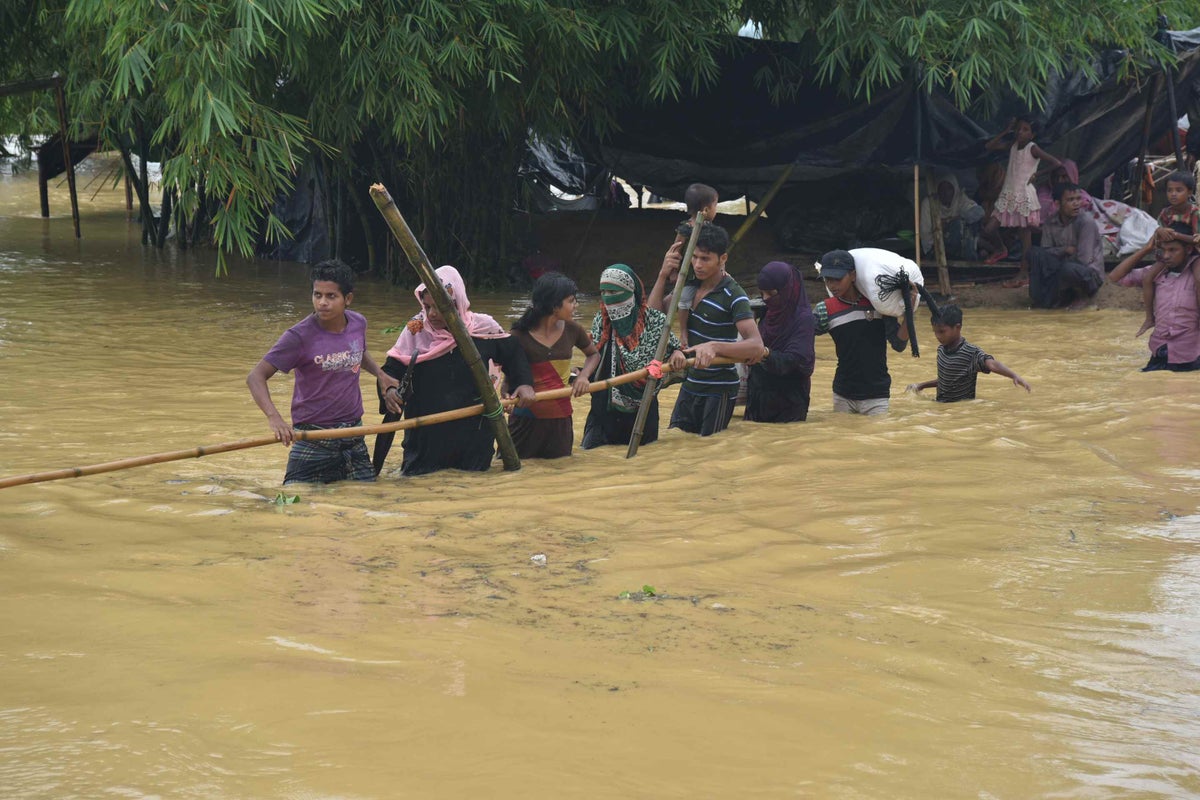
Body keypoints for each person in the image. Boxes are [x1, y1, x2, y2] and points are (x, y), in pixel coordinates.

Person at [247, 260, 399, 485]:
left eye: (331, 296)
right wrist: (275, 418)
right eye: (317, 295)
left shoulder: (358, 323)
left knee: (367, 499)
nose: (322, 303)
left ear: (347, 299)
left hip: (352, 435)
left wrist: (381, 375)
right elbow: (255, 377)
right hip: (312, 438)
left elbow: (358, 352)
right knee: (293, 502)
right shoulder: (299, 337)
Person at [376, 265, 535, 476]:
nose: (432, 314)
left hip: (475, 438)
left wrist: (523, 384)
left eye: (440, 306)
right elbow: (390, 370)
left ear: (457, 302)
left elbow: (513, 354)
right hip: (425, 441)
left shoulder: (482, 327)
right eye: (427, 306)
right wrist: (389, 393)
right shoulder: (415, 330)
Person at [664, 223, 765, 435]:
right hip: (690, 382)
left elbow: (756, 346)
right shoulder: (688, 285)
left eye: (705, 259)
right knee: (676, 441)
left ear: (723, 259)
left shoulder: (734, 295)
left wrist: (714, 347)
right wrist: (663, 275)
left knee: (709, 446)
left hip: (719, 389)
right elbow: (654, 313)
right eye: (695, 257)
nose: (698, 265)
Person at [581, 264, 685, 449]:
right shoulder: (601, 321)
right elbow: (594, 357)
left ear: (632, 292)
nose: (608, 298)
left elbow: (676, 349)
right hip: (602, 410)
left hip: (643, 411)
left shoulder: (655, 321)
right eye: (604, 292)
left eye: (614, 292)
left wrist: (677, 353)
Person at [507, 272, 600, 459]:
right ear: (554, 305)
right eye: (571, 301)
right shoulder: (518, 335)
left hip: (561, 420)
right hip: (525, 419)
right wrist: (507, 395)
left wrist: (583, 377)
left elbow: (593, 354)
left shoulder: (573, 329)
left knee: (560, 473)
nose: (576, 306)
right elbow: (509, 373)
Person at [813, 249, 911, 416]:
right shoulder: (825, 309)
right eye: (828, 280)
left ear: (853, 275)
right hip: (843, 393)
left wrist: (910, 307)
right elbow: (802, 333)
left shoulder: (879, 305)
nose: (832, 285)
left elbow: (899, 344)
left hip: (877, 395)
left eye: (837, 279)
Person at [1108, 223, 1200, 371]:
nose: (1166, 256)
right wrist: (1147, 249)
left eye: (1173, 250)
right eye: (1163, 250)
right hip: (1159, 354)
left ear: (1188, 250)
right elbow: (1115, 277)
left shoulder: (1196, 275)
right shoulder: (1155, 273)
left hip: (1190, 358)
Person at [985, 115, 1063, 287]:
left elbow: (1056, 163)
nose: (1020, 132)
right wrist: (1006, 130)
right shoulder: (1012, 146)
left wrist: (1038, 174)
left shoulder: (1032, 148)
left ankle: (1023, 273)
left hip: (1024, 196)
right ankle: (1001, 249)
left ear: (1032, 135)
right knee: (989, 229)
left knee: (1025, 236)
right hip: (1008, 194)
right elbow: (989, 146)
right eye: (1019, 129)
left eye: (1025, 129)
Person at [906, 305, 1031, 401]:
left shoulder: (971, 353)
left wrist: (1014, 375)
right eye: (935, 332)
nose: (938, 336)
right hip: (941, 406)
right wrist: (921, 386)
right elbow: (946, 380)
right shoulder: (941, 350)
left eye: (942, 331)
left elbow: (992, 364)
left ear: (958, 327)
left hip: (959, 410)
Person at [745, 261, 815, 422]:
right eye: (762, 293)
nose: (766, 298)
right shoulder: (766, 311)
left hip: (788, 402)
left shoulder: (803, 319)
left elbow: (798, 360)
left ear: (787, 290)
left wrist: (765, 353)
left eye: (771, 293)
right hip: (758, 396)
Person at [652, 182, 721, 341]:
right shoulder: (685, 229)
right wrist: (674, 272)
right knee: (683, 301)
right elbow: (675, 250)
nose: (716, 210)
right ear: (706, 209)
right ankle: (683, 331)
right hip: (688, 275)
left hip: (707, 273)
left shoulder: (710, 228)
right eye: (715, 205)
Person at [1138, 171, 1200, 336]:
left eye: (1179, 190)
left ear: (1189, 192)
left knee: (1199, 279)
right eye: (1170, 190)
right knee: (1148, 277)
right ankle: (1150, 317)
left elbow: (1197, 240)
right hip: (1171, 254)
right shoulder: (1165, 213)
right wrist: (1160, 231)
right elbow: (1158, 233)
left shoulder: (1195, 213)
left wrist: (1177, 235)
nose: (1173, 194)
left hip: (1194, 254)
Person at [1025, 183, 1104, 309]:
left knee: (1067, 269)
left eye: (1078, 199)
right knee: (1034, 253)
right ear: (1057, 204)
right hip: (1059, 270)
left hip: (1087, 274)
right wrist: (1064, 250)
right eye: (1070, 200)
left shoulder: (1086, 222)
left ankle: (1081, 296)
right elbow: (1046, 251)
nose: (1076, 204)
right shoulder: (1050, 222)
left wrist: (1058, 258)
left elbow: (1084, 260)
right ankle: (1039, 299)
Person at [920, 172, 1003, 262]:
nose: (945, 192)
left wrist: (953, 219)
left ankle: (978, 251)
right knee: (957, 225)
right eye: (942, 189)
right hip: (937, 248)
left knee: (967, 224)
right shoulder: (929, 203)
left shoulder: (959, 199)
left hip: (961, 244)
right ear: (937, 190)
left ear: (955, 189)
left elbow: (979, 212)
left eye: (949, 188)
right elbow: (926, 234)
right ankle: (981, 248)